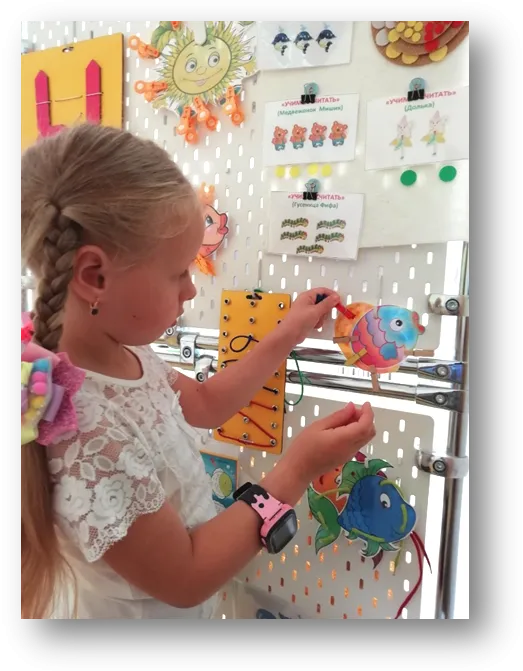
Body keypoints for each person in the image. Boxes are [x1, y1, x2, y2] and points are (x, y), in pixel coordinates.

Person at [20, 123, 376, 620]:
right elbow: (185, 577)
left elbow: (207, 404)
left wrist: (287, 332)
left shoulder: (126, 355)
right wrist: (297, 469)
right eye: (178, 273)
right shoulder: (83, 424)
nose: (190, 290)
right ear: (94, 276)